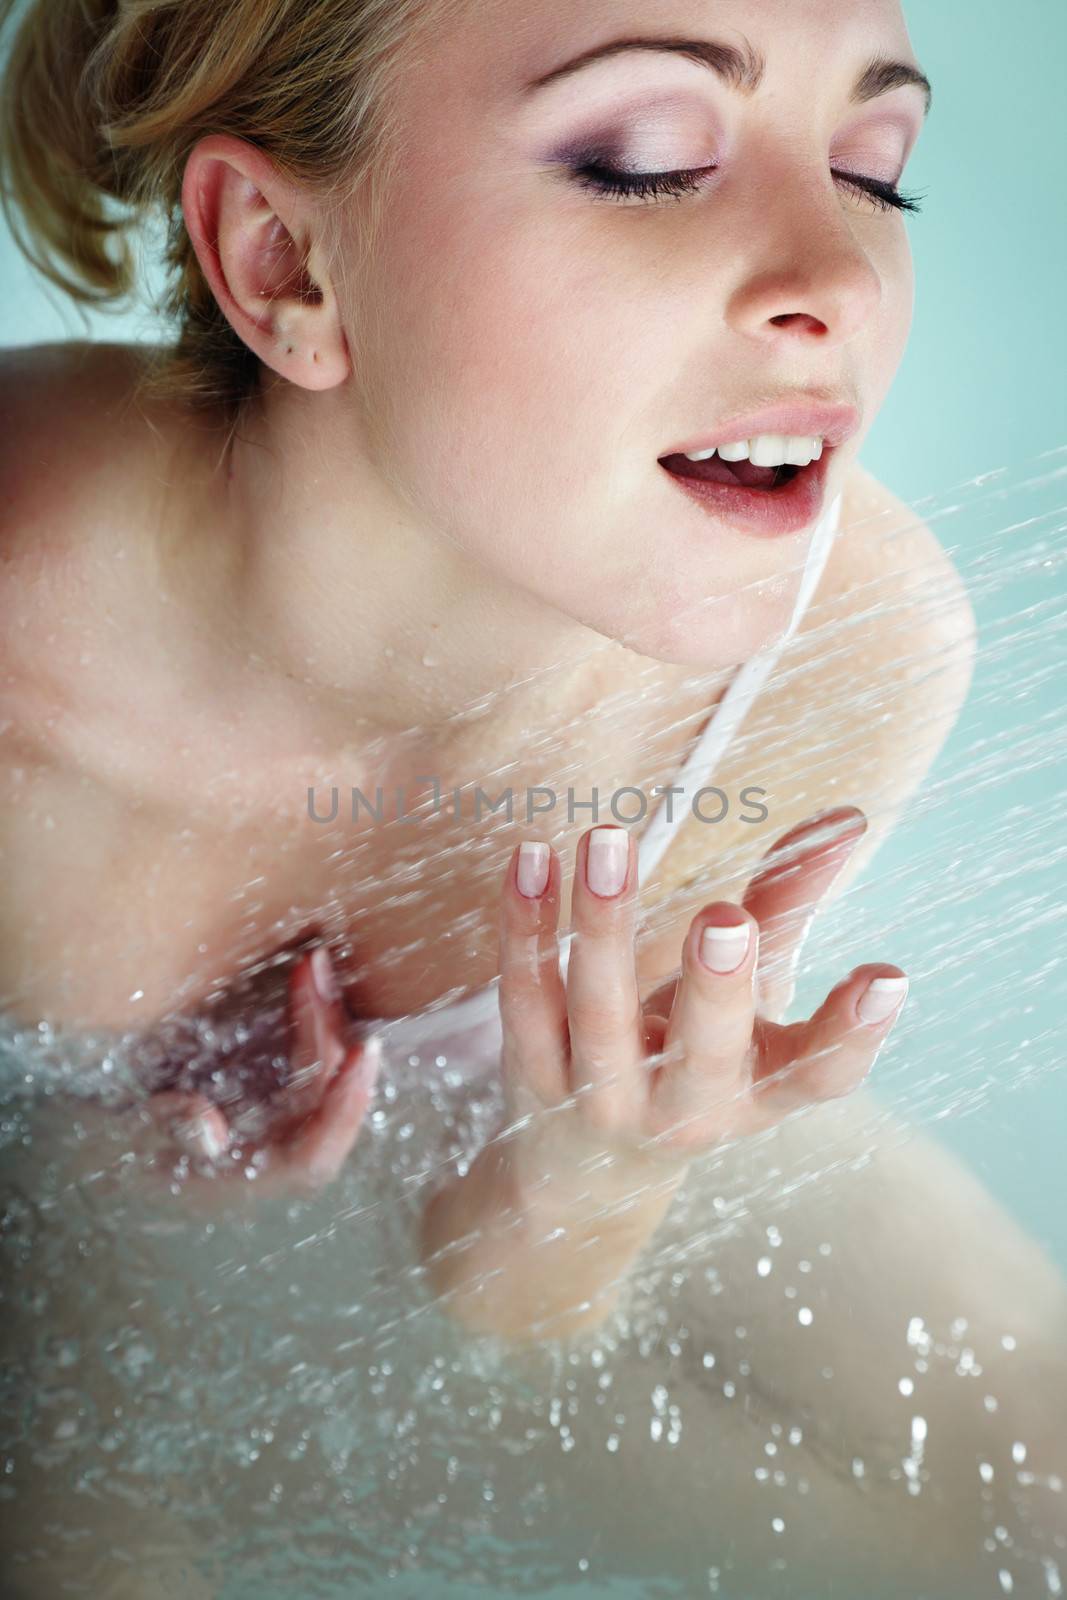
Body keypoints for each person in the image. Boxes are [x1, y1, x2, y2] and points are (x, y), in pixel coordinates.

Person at [1, 0, 1065, 1591]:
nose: (841, 282)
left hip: (521, 1157)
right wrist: (73, 1209)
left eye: (873, 170)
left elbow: (515, 1308)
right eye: (647, 163)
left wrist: (602, 1172)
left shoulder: (837, 649)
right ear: (288, 264)